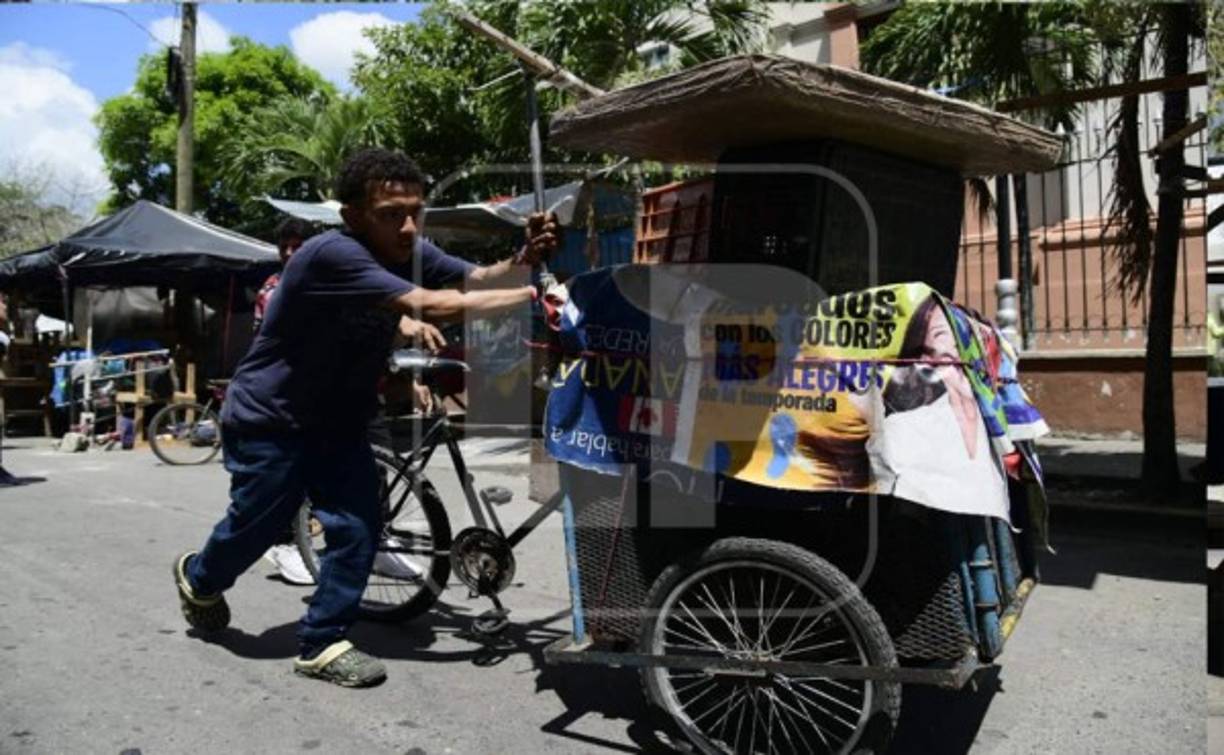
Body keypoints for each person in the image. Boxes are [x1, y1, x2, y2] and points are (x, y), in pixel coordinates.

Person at [173, 147, 557, 687]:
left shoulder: (411, 248)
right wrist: (532, 293)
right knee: (255, 527)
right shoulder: (330, 254)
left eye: (415, 211)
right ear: (351, 216)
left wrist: (527, 257)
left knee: (357, 525)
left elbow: (478, 279)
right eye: (389, 213)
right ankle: (200, 576)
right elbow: (437, 303)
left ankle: (322, 641)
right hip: (272, 418)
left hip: (341, 418)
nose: (407, 226)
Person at [253, 218, 317, 333]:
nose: (288, 253)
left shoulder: (329, 280)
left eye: (296, 247)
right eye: (283, 247)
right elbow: (260, 332)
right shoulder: (270, 287)